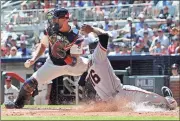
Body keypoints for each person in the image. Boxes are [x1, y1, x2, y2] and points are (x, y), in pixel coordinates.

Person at [6, 8, 88, 109]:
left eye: (55, 19)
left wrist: (64, 56)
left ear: (64, 19)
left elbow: (74, 62)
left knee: (93, 66)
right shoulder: (50, 29)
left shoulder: (76, 35)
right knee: (29, 84)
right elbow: (43, 45)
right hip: (53, 64)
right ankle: (17, 105)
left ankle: (97, 100)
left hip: (71, 64)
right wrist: (34, 59)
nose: (53, 21)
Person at [81, 25, 177, 110]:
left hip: (110, 103)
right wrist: (93, 29)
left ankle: (157, 107)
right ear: (96, 48)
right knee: (147, 96)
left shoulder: (88, 63)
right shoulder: (98, 55)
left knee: (137, 107)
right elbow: (104, 36)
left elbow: (81, 82)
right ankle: (170, 102)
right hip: (121, 93)